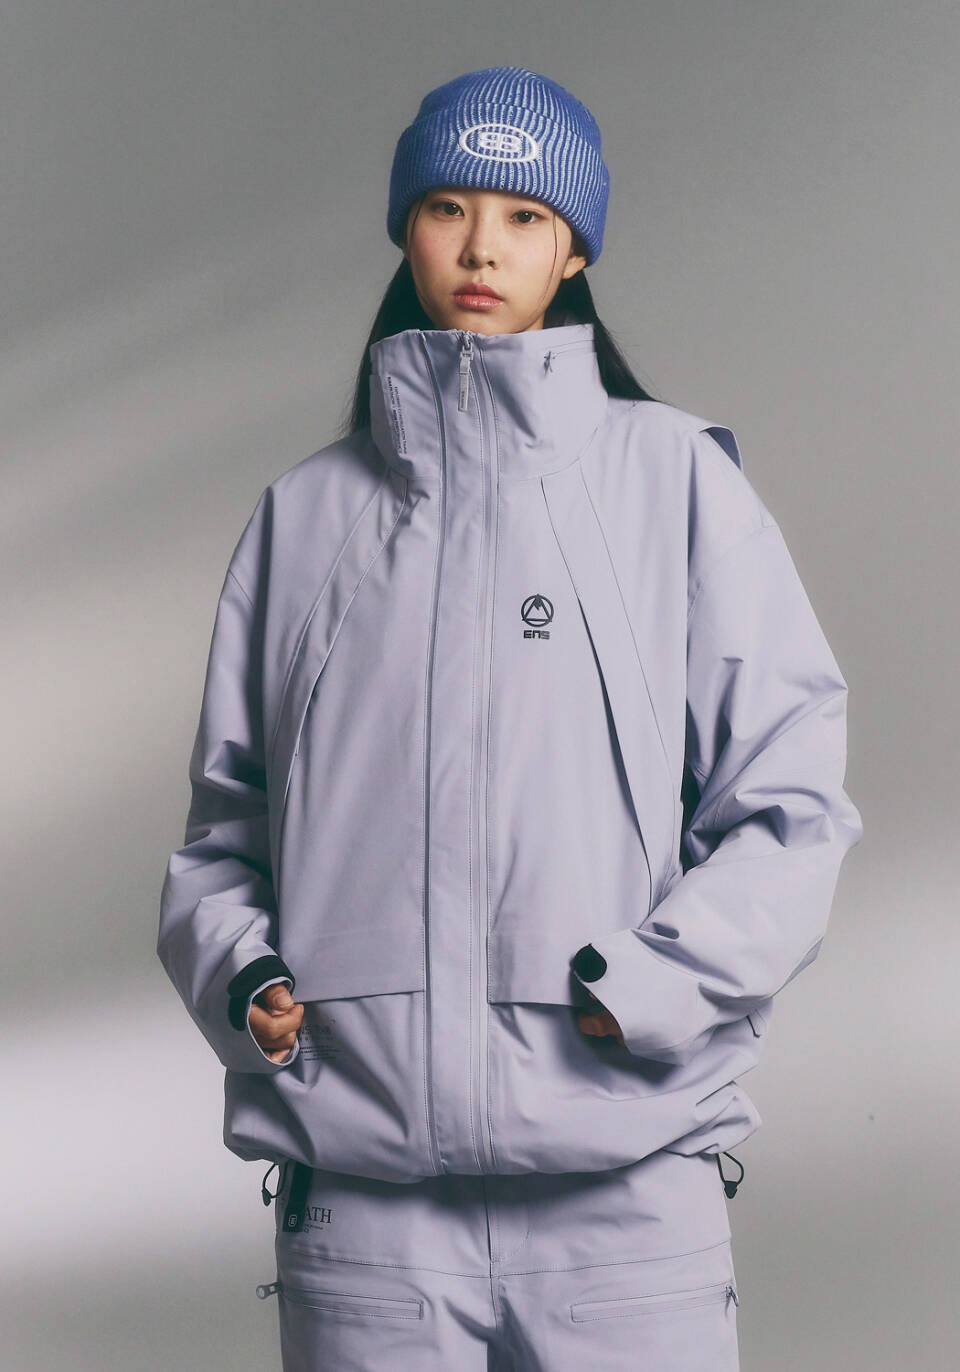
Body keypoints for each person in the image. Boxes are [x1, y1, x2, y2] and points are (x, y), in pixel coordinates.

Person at [157, 64, 863, 1371]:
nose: (482, 247)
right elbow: (223, 835)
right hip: (366, 1226)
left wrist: (651, 989)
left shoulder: (679, 486)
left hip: (627, 1210)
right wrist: (244, 976)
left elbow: (793, 808)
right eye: (449, 208)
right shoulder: (303, 518)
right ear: (405, 231)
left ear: (573, 250)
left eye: (525, 217)